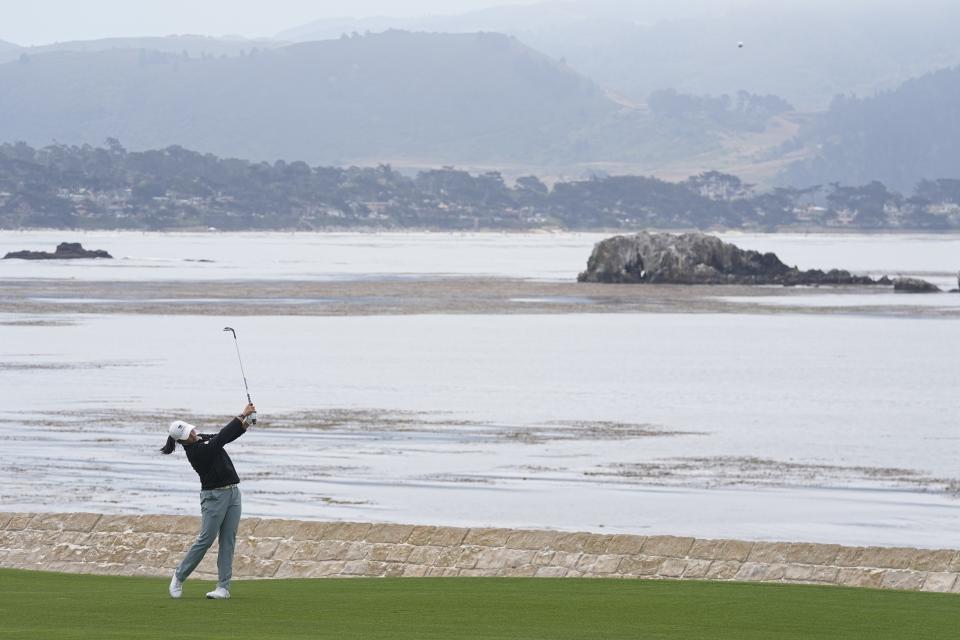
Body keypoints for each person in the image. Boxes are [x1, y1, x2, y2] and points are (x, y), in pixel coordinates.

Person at [160, 403, 256, 599]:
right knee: (206, 540)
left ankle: (223, 588)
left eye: (191, 430)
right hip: (214, 497)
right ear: (182, 441)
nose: (193, 433)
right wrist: (241, 415)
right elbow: (220, 439)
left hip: (233, 494)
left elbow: (226, 437)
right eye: (188, 434)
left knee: (228, 540)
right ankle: (179, 576)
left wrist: (246, 424)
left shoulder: (201, 439)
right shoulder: (196, 452)